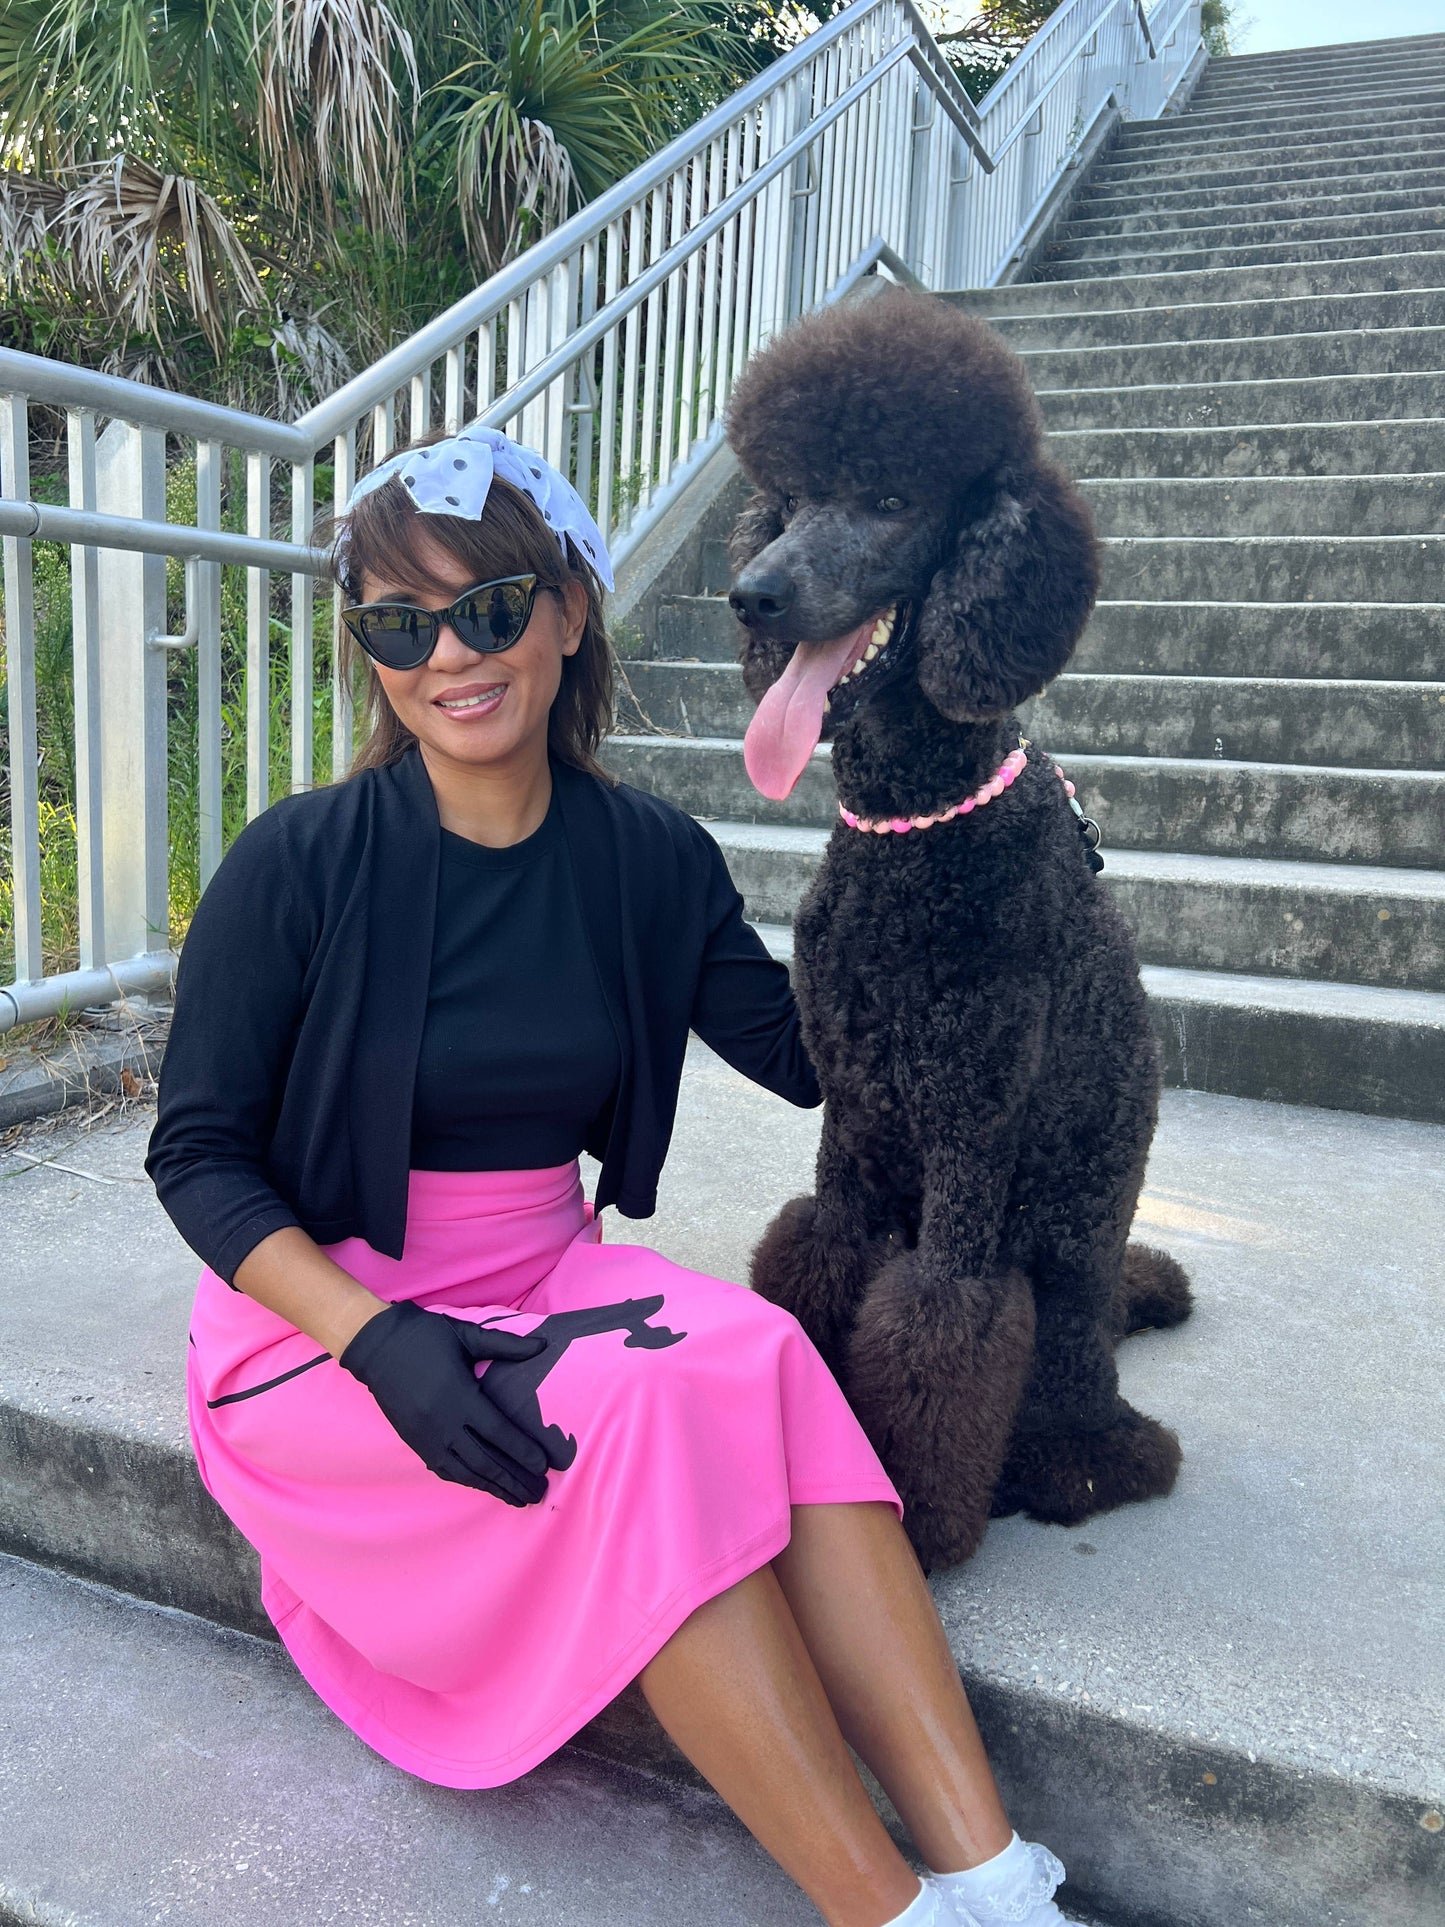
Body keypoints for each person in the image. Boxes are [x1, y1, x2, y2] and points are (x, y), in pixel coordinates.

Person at [146, 425, 1082, 1927]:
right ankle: (886, 1913)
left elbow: (814, 1057)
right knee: (644, 1410)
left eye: (488, 607)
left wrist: (967, 852)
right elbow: (194, 1156)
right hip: (321, 1329)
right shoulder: (300, 861)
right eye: (398, 621)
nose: (447, 652)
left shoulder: (645, 856)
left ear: (568, 611)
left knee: (763, 1350)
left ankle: (991, 1880)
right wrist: (375, 1341)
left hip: (537, 1276)